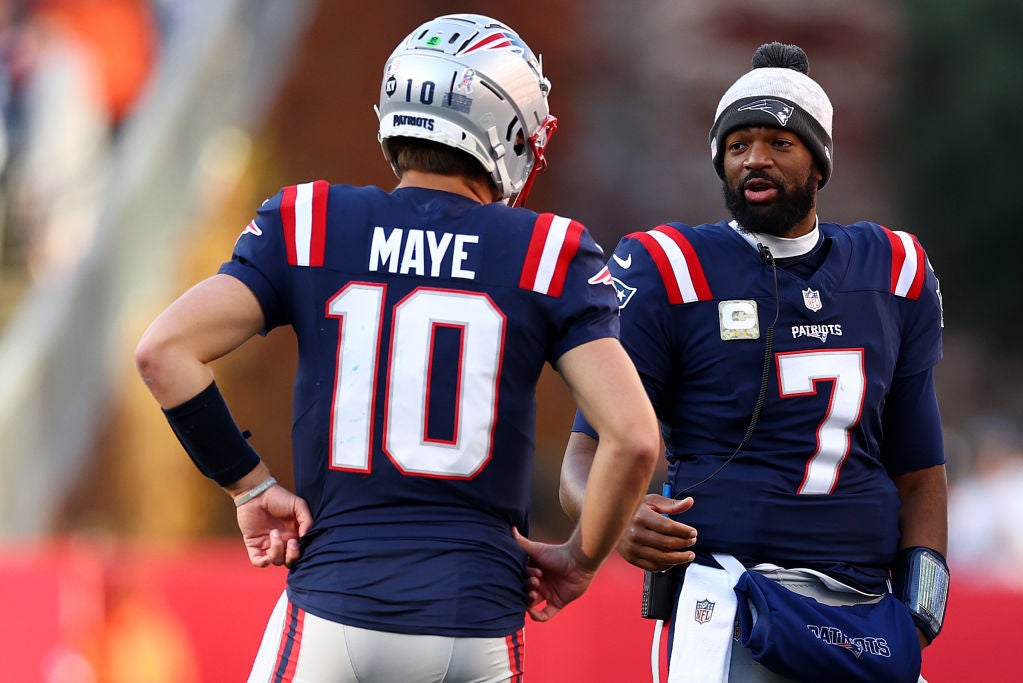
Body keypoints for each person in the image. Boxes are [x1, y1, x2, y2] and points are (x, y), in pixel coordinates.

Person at [135, 13, 660, 683]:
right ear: (506, 127)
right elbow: (634, 437)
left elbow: (164, 351)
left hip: (333, 607)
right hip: (475, 623)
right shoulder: (546, 251)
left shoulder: (311, 221)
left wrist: (249, 483)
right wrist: (581, 559)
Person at [560, 42, 948, 682]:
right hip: (727, 599)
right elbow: (583, 454)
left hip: (864, 610)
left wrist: (923, 593)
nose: (755, 159)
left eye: (779, 142)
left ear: (820, 162)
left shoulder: (893, 269)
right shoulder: (670, 268)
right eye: (737, 145)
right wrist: (617, 517)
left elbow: (919, 466)